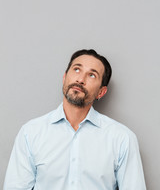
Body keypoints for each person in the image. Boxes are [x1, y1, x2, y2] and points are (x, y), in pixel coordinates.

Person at [3, 49, 146, 190]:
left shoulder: (122, 138)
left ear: (101, 92)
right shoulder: (31, 132)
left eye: (91, 75)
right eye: (77, 70)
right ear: (65, 77)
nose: (80, 79)